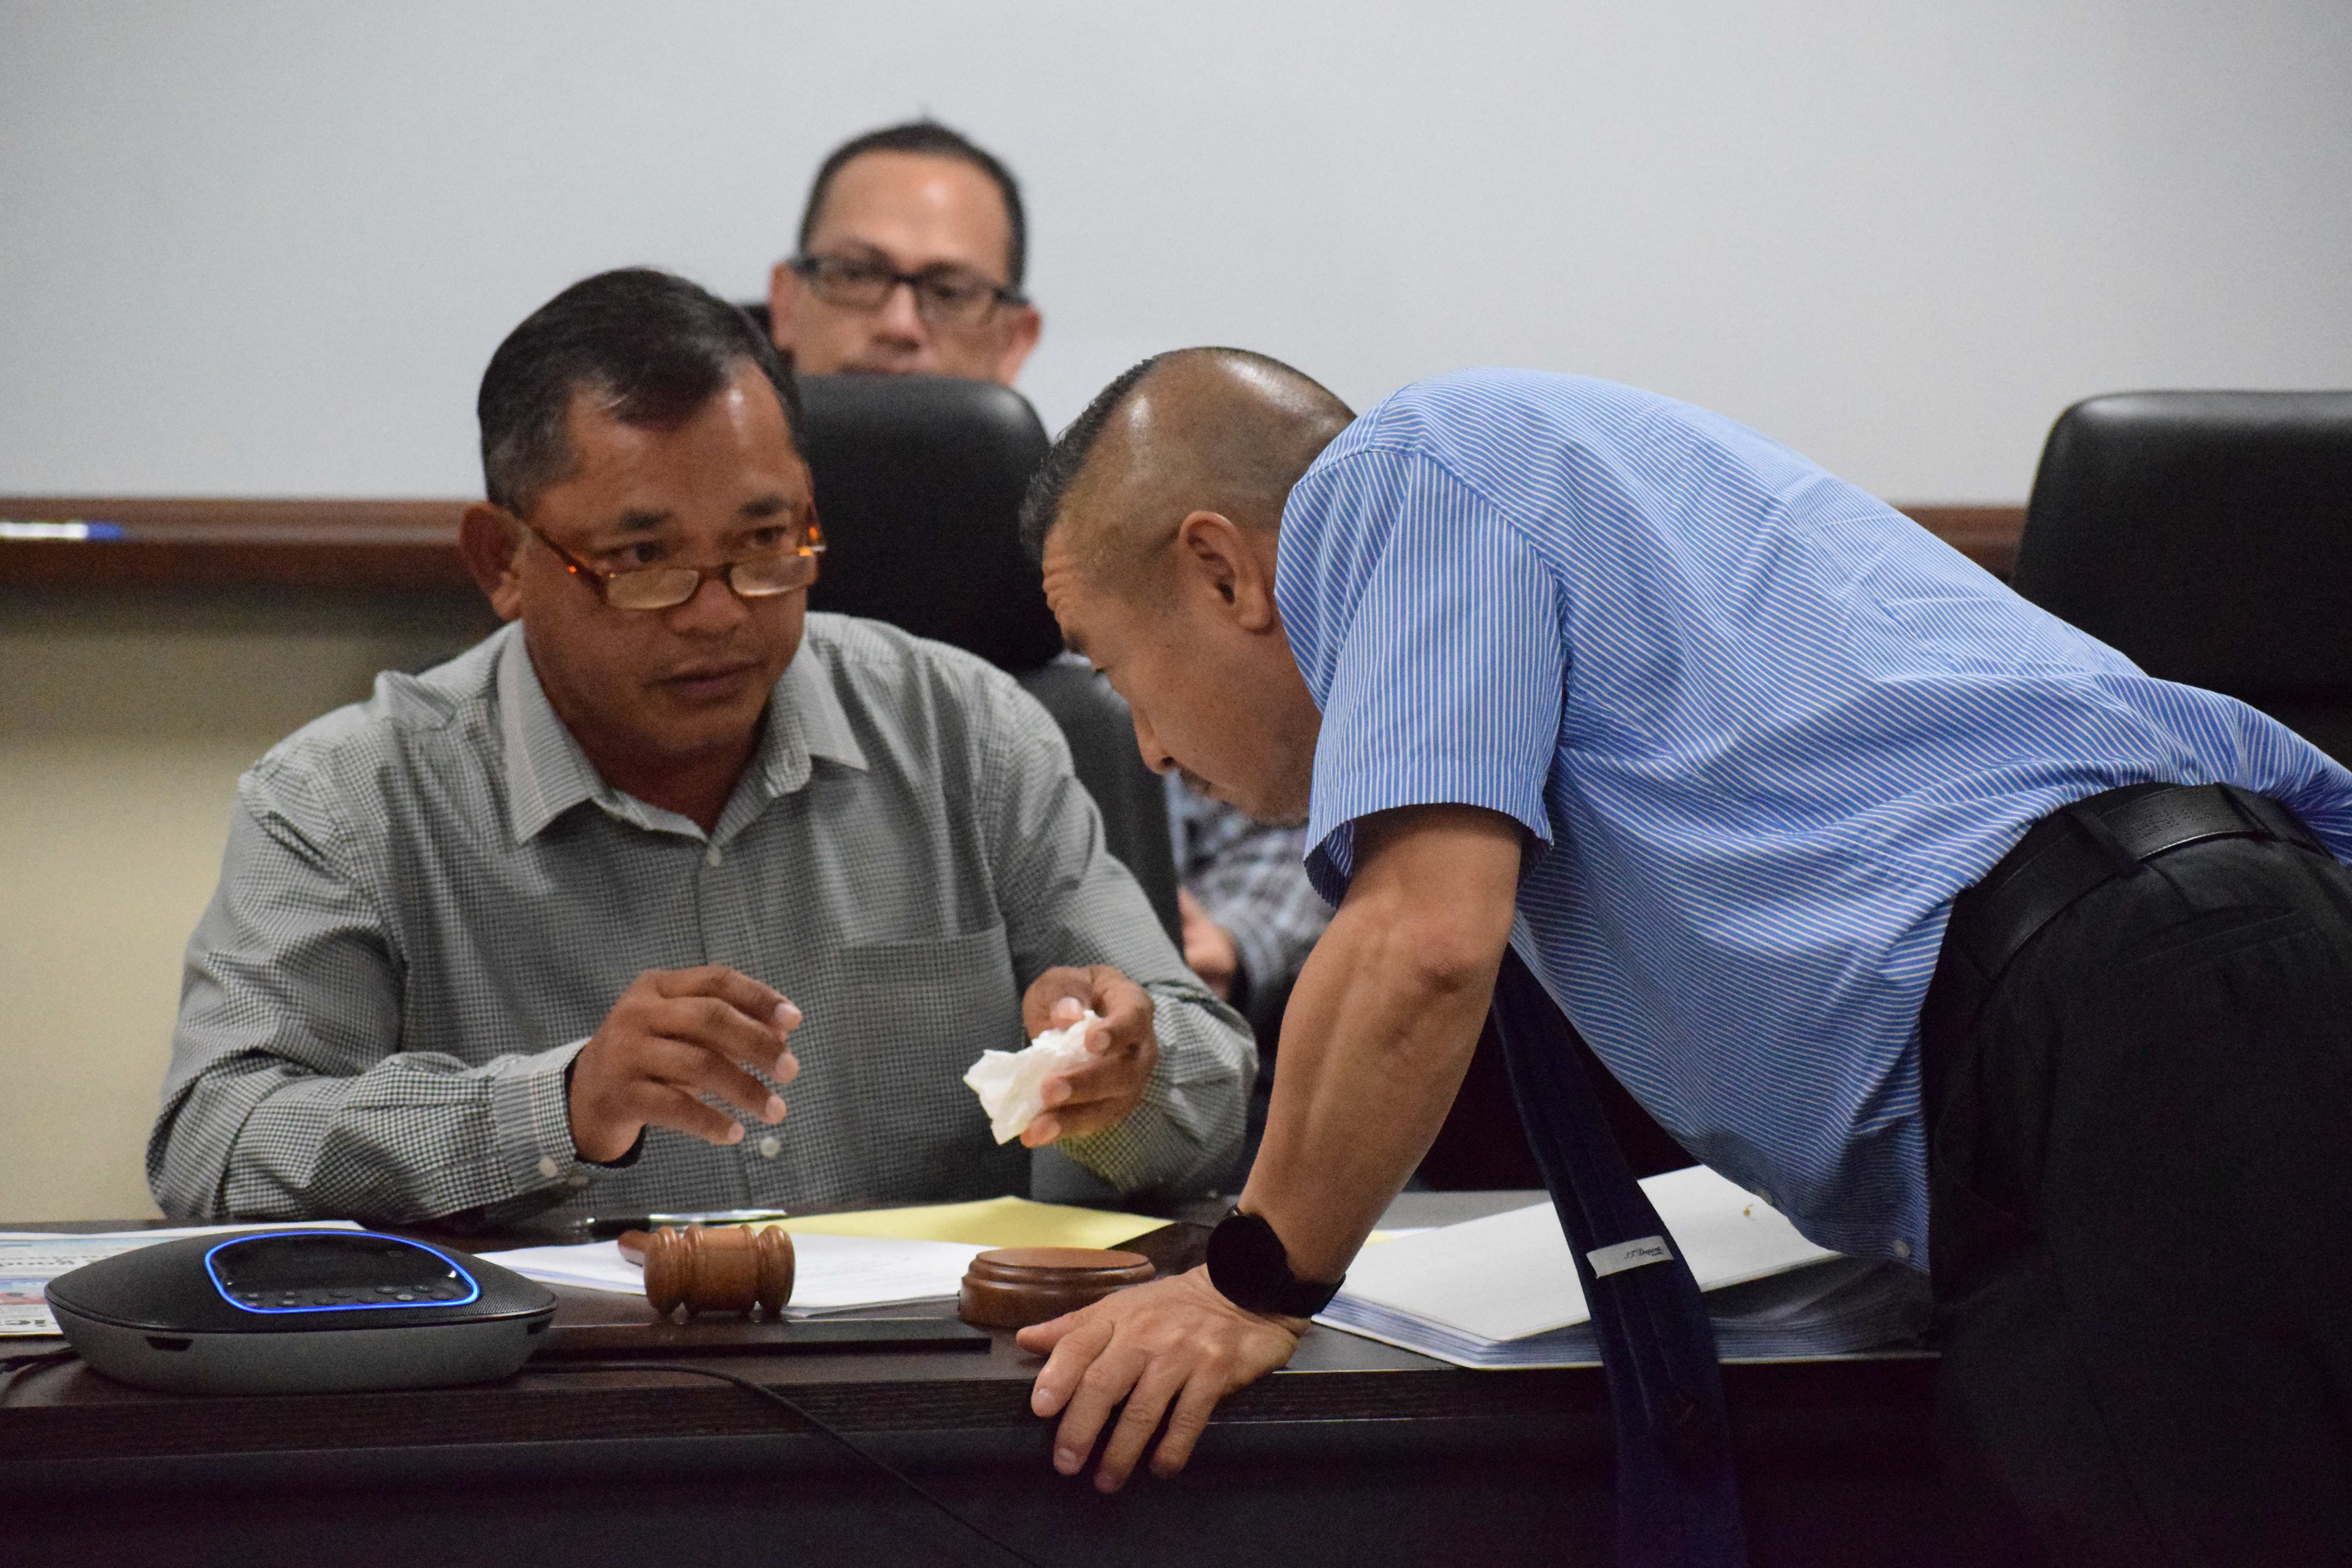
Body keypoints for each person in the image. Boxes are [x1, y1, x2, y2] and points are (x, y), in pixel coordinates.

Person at [1012, 350, 2352, 1566]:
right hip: (2110, 1047)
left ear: (1223, 571)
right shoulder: (1523, 561)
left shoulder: (1404, 474)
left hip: (2148, 1001)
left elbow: (1421, 949)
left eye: (1117, 674)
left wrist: (1250, 1286)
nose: (1150, 751)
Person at [146, 273, 1252, 1228]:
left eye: (766, 543)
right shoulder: (349, 798)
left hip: (929, 1376)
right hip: (552, 1390)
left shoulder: (968, 736)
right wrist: (558, 1108)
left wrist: (1131, 1078)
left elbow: (1209, 1083)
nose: (719, 614)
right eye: (645, 559)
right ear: (503, 562)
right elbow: (217, 1143)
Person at [768, 120, 1330, 1042]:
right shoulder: (688, 581)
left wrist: (1226, 935)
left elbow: (1290, 791)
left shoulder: (1115, 540)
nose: (899, 322)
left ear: (1016, 335)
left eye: (949, 291)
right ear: (785, 303)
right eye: (856, 274)